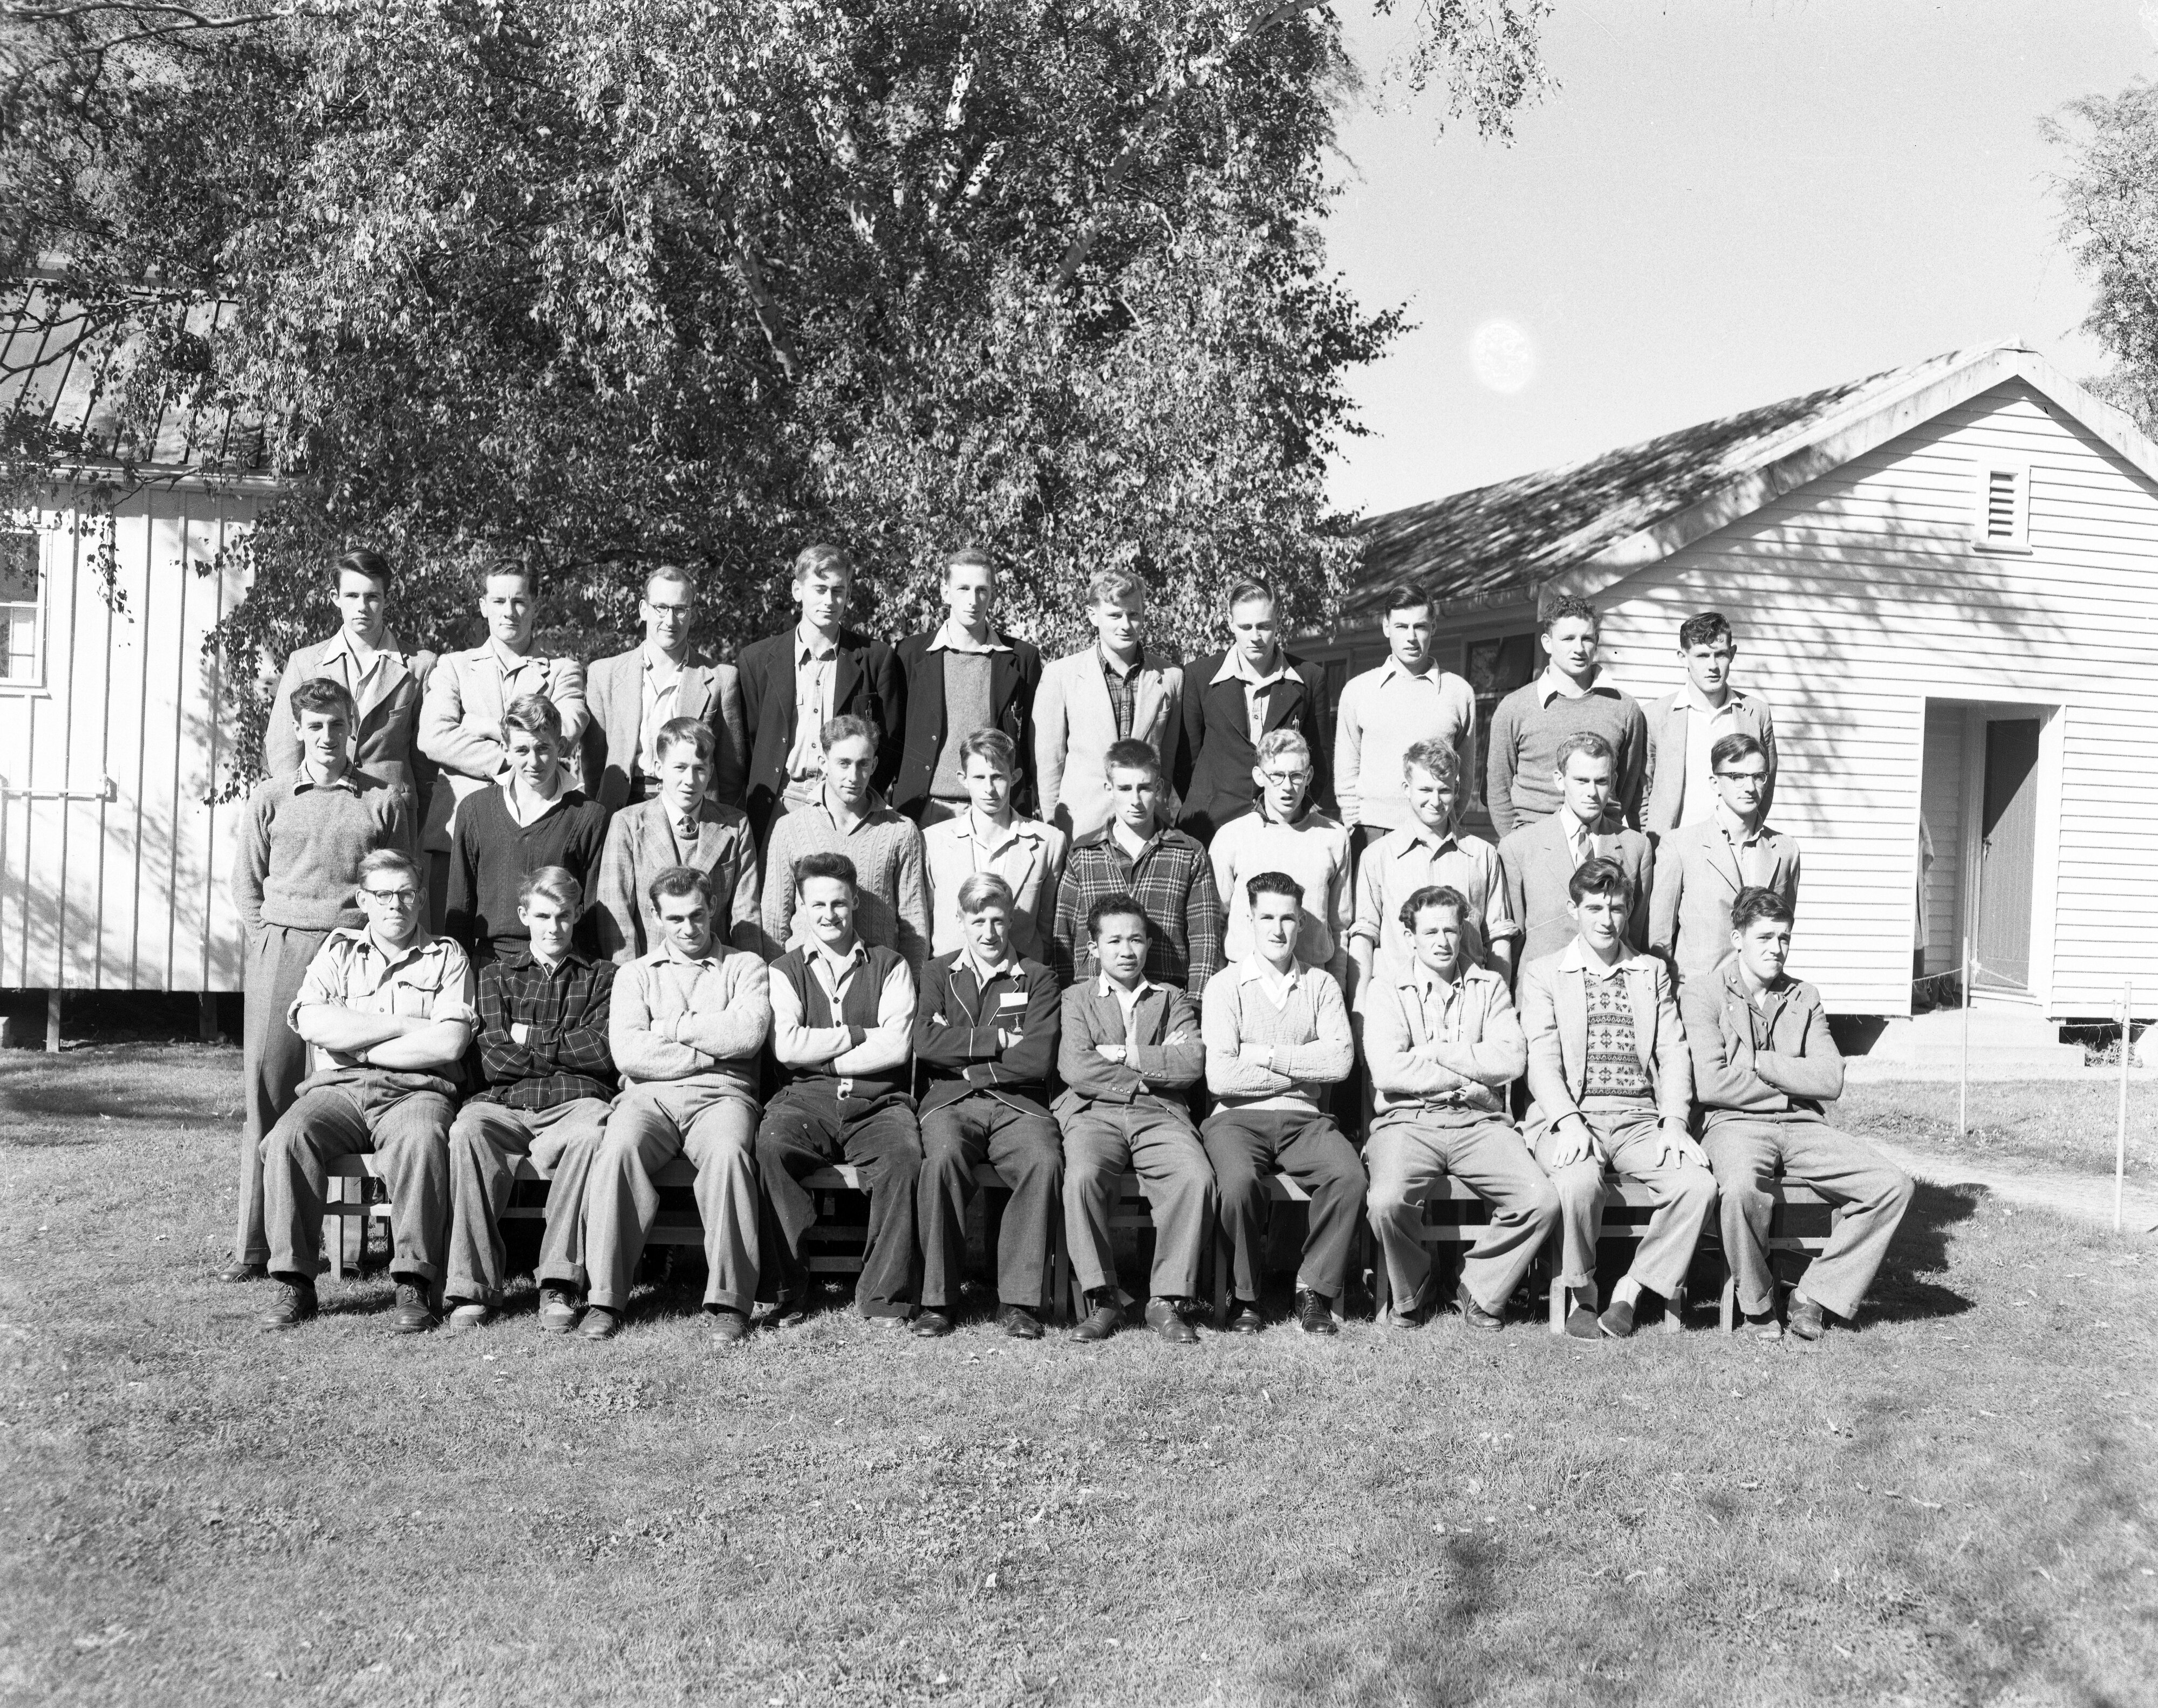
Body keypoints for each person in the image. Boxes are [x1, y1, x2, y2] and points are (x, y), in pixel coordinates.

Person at [227, 678, 414, 1285]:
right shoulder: (273, 796)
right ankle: (257, 1246)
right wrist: (269, 942)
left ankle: (358, 1245)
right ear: (298, 730)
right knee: (271, 1093)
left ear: (352, 727)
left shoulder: (381, 799)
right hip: (283, 946)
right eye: (314, 726)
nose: (327, 737)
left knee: (356, 1087)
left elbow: (404, 880)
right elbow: (246, 884)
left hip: (355, 950)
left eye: (337, 724)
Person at [255, 849, 476, 1334]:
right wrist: (402, 1025)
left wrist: (359, 1044)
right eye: (383, 895)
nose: (395, 904)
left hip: (416, 1092)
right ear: (364, 900)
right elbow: (311, 1020)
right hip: (338, 1091)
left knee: (421, 1142)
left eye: (406, 894)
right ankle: (295, 1282)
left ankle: (414, 1283)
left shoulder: (447, 956)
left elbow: (450, 1042)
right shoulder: (338, 951)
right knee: (290, 1137)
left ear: (420, 900)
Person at [1683, 886, 1913, 1341]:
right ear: (1737, 939)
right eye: (1765, 937)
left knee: (1891, 1187)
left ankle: (1813, 1293)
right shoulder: (1703, 994)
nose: (1777, 949)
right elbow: (1712, 1084)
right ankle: (1757, 1303)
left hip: (1804, 1126)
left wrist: (1759, 1063)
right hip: (1733, 1125)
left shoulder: (1804, 996)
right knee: (1738, 1192)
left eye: (1785, 938)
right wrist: (1790, 1086)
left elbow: (1830, 1080)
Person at [1517, 856, 1715, 1340]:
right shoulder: (1546, 973)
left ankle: (1630, 1289)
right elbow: (1541, 1061)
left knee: (1697, 1186)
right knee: (1578, 1184)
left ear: (1629, 911)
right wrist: (1568, 1122)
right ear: (1574, 910)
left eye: (1617, 908)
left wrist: (1673, 1122)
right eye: (1594, 908)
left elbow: (1673, 1051)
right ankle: (1582, 1292)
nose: (1606, 920)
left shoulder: (1650, 972)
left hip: (1640, 1121)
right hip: (1571, 1117)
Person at [584, 866, 771, 1342]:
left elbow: (747, 1035)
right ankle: (604, 1298)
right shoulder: (634, 976)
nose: (688, 929)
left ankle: (729, 1302)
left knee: (730, 1155)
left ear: (713, 910)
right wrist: (710, 1048)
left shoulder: (745, 966)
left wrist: (669, 1027)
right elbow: (629, 1053)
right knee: (618, 1148)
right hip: (649, 1098)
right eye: (675, 919)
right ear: (656, 917)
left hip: (723, 1097)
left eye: (697, 916)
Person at [1359, 884, 1558, 1329]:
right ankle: (1415, 1287)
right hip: (1407, 1120)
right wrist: (1466, 1070)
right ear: (1410, 937)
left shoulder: (1490, 986)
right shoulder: (1387, 988)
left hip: (1479, 1121)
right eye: (1430, 932)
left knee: (1541, 1200)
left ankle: (1478, 1287)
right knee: (1387, 1201)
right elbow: (1390, 1072)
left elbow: (1511, 1059)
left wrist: (1435, 1052)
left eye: (1451, 930)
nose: (1443, 941)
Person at [441, 867, 617, 1334]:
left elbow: (599, 1051)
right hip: (506, 1103)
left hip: (576, 1105)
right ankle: (473, 1286)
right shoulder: (496, 976)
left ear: (577, 915)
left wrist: (529, 1038)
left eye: (563, 916)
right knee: (467, 1129)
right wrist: (563, 1048)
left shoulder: (603, 977)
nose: (554, 927)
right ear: (524, 915)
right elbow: (496, 1059)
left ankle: (559, 1282)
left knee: (591, 1135)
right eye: (543, 916)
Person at [756, 853, 924, 1324]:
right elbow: (787, 1047)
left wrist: (822, 1054)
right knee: (771, 1148)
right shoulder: (784, 970)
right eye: (818, 905)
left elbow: (896, 1048)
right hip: (805, 1100)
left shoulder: (891, 966)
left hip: (877, 1102)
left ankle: (883, 1295)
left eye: (839, 904)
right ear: (801, 910)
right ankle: (789, 1287)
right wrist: (856, 1035)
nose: (829, 915)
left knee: (904, 1158)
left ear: (854, 905)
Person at [1200, 872, 1362, 1335]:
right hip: (1235, 1118)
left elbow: (1339, 1064)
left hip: (1304, 1118)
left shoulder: (1322, 986)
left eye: (1288, 918)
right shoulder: (1225, 986)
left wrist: (1265, 1054)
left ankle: (1314, 1289)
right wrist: (1303, 1063)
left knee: (1348, 1177)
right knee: (1236, 1183)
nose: (1277, 929)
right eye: (1267, 917)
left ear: (1302, 924)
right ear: (1249, 920)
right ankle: (1246, 1297)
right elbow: (1222, 1074)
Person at [911, 873, 1065, 1340]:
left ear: (1012, 920)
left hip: (1019, 1103)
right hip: (950, 1102)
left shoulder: (1038, 977)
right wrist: (997, 1039)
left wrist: (968, 1061)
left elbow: (1037, 1056)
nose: (989, 933)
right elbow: (925, 1040)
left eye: (998, 921)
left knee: (1043, 1160)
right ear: (961, 921)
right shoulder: (938, 973)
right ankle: (938, 1300)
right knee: (941, 1160)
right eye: (978, 921)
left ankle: (1017, 1301)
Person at [1055, 894, 1213, 1344]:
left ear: (1148, 946)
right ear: (1094, 949)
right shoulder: (1076, 998)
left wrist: (1123, 1054)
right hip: (1094, 1114)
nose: (1127, 951)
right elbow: (1076, 1067)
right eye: (1115, 941)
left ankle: (1166, 1299)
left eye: (1137, 940)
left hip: (1160, 1114)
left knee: (1195, 1177)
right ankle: (1103, 1297)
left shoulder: (1171, 998)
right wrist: (1149, 1073)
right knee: (1083, 1176)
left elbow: (1190, 1064)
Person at [417, 558, 588, 912]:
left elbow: (567, 732)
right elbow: (433, 737)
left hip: (538, 832)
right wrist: (506, 762)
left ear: (535, 604)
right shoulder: (455, 667)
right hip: (456, 837)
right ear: (483, 606)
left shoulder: (562, 671)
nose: (509, 612)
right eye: (498, 601)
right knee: (452, 947)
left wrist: (489, 727)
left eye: (519, 601)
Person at [736, 543, 905, 834]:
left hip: (846, 808)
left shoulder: (877, 659)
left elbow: (890, 745)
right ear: (797, 590)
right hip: (778, 803)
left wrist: (859, 798)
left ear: (848, 595)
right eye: (820, 589)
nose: (829, 600)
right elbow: (748, 744)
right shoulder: (756, 660)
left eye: (838, 591)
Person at [1048, 738, 1224, 993]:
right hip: (1094, 995)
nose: (1136, 800)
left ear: (1159, 787)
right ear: (1109, 789)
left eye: (1144, 788)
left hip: (1166, 994)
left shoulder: (1189, 853)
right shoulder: (1084, 853)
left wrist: (1195, 1002)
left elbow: (1205, 939)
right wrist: (1069, 998)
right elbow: (1063, 936)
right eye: (1124, 788)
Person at [444, 693, 609, 964]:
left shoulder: (589, 816)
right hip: (490, 965)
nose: (534, 762)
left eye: (543, 748)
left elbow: (592, 912)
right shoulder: (475, 810)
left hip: (561, 966)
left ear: (562, 746)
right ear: (505, 750)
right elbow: (459, 907)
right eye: (522, 750)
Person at [760, 714, 931, 972]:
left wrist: (912, 984)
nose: (854, 776)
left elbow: (913, 923)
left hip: (877, 980)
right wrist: (778, 983)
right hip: (806, 979)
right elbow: (774, 922)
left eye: (863, 764)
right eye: (843, 763)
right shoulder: (790, 828)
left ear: (874, 765)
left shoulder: (901, 831)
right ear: (824, 763)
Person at [1347, 739, 1515, 999]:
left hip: (1467, 1002)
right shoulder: (1377, 857)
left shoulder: (1483, 855)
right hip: (1397, 1003)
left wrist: (1497, 1004)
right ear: (1407, 788)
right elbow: (1363, 938)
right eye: (1425, 790)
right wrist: (1360, 1015)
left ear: (1457, 789)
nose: (1435, 801)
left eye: (1444, 790)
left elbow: (1498, 938)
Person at [263, 548, 435, 800]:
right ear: (335, 597)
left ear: (387, 598)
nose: (362, 607)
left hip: (393, 817)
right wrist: (295, 806)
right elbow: (284, 748)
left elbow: (426, 764)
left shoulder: (420, 667)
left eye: (372, 597)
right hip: (320, 812)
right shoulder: (305, 663)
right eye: (352, 596)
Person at [891, 546, 1043, 823]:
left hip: (995, 809)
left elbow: (1032, 748)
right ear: (945, 592)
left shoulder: (1022, 658)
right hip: (923, 810)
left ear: (993, 595)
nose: (973, 600)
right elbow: (893, 736)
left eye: (982, 590)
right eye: (963, 589)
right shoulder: (909, 654)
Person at [581, 564, 749, 812]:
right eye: (661, 608)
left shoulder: (721, 679)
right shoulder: (603, 674)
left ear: (692, 614)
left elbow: (731, 775)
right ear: (644, 609)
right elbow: (593, 768)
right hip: (621, 810)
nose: (670, 621)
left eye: (680, 610)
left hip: (693, 811)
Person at [1033, 569, 1185, 841]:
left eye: (1134, 614)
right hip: (1081, 827)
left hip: (1147, 827)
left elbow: (1169, 763)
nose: (1125, 625)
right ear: (1093, 615)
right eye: (1115, 615)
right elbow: (1049, 765)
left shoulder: (1171, 678)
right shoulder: (1061, 676)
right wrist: (1053, 830)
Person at [591, 716, 761, 960]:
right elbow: (616, 915)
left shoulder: (735, 826)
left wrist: (747, 976)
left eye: (700, 769)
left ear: (711, 770)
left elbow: (747, 914)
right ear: (659, 768)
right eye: (679, 768)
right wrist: (629, 981)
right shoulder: (628, 824)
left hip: (716, 971)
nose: (690, 781)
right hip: (652, 972)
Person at [1331, 584, 1477, 866]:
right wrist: (1355, 825)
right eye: (1401, 627)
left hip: (1434, 831)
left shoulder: (1458, 693)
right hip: (1371, 832)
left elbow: (1466, 774)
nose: (1411, 637)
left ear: (1433, 628)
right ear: (1386, 627)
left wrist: (1444, 821)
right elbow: (1346, 770)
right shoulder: (1359, 690)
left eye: (1420, 627)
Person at [1175, 578, 1326, 841]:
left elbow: (1320, 764)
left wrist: (1293, 812)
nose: (1255, 637)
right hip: (1210, 830)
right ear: (1230, 623)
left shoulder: (1310, 680)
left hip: (1283, 829)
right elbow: (1186, 764)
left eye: (1264, 626)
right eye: (1245, 627)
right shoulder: (1199, 677)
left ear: (1278, 622)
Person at [1484, 596, 1648, 838]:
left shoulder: (1624, 708)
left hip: (1600, 845)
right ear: (1547, 643)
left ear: (1597, 642)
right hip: (1532, 842)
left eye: (1587, 639)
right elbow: (1498, 789)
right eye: (1568, 638)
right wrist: (1516, 846)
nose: (1579, 649)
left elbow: (1626, 787)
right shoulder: (1514, 708)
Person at [1649, 733, 1801, 983]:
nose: (1750, 787)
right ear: (1715, 782)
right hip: (1696, 997)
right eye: (1737, 777)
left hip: (1760, 998)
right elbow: (1658, 942)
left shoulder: (1786, 851)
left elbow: (1782, 931)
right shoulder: (1680, 846)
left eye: (1758, 777)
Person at [1208, 728, 1351, 985]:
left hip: (1312, 981)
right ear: (1259, 776)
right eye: (1277, 776)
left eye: (1296, 776)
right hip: (1245, 980)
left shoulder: (1334, 837)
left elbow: (1340, 925)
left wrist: (1338, 986)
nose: (1288, 787)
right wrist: (1222, 986)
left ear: (1309, 777)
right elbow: (1215, 920)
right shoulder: (1231, 837)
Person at [1498, 732, 1654, 967]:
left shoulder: (1636, 847)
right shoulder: (1519, 847)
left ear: (1612, 781)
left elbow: (1637, 935)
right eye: (1581, 781)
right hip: (1544, 992)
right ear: (1560, 780)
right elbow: (1513, 941)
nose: (1592, 792)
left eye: (1601, 781)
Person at [922, 728, 1067, 962]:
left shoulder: (1048, 842)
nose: (989, 789)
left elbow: (1048, 929)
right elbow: (927, 922)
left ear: (1015, 776)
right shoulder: (933, 840)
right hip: (952, 979)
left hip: (1020, 979)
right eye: (979, 778)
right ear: (963, 780)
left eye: (998, 777)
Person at [1643, 611, 1778, 833]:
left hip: (1735, 846)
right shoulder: (1656, 716)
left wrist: (1746, 833)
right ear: (1682, 657)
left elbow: (1766, 781)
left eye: (1721, 655)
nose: (1713, 666)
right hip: (1675, 849)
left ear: (1732, 654)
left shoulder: (1755, 713)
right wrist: (1654, 848)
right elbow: (1641, 794)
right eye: (1702, 656)